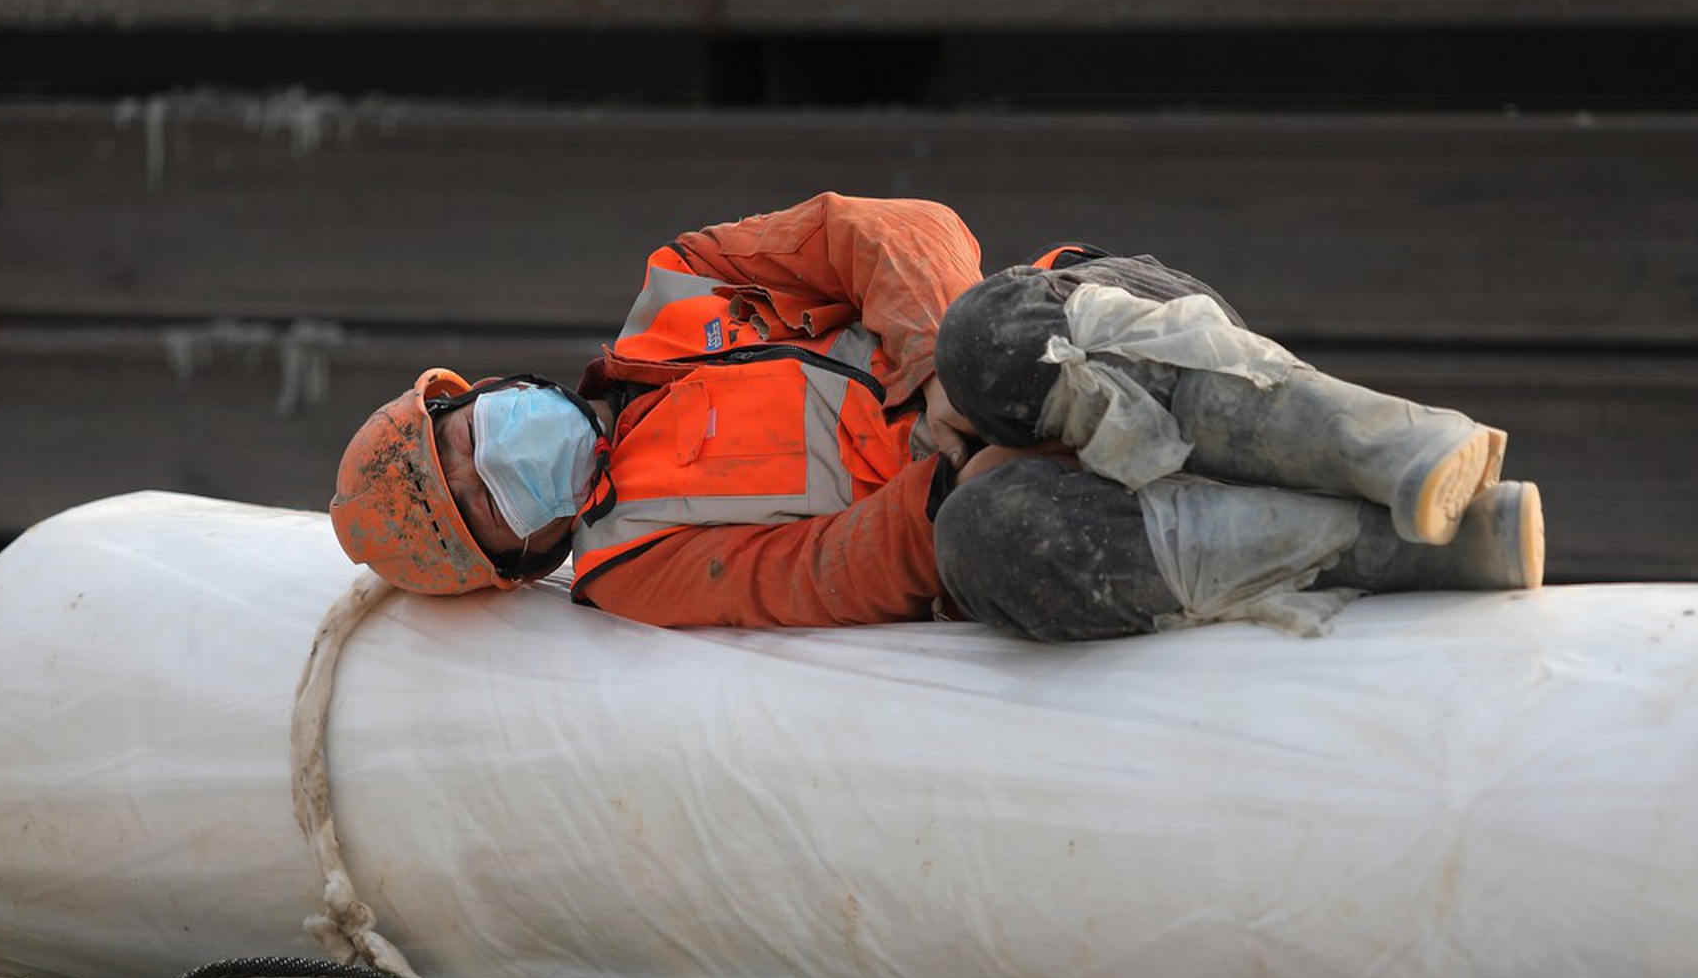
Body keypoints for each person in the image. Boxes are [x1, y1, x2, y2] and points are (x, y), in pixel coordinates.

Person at [330, 192, 1543, 642]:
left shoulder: (682, 282)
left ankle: (1391, 441)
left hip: (1079, 338)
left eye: (467, 431)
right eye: (480, 493)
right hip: (1001, 488)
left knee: (987, 331)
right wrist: (944, 484)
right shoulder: (635, 563)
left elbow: (886, 230)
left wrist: (937, 385)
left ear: (486, 391)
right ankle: (1429, 541)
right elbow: (822, 572)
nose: (498, 455)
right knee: (988, 547)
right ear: (518, 554)